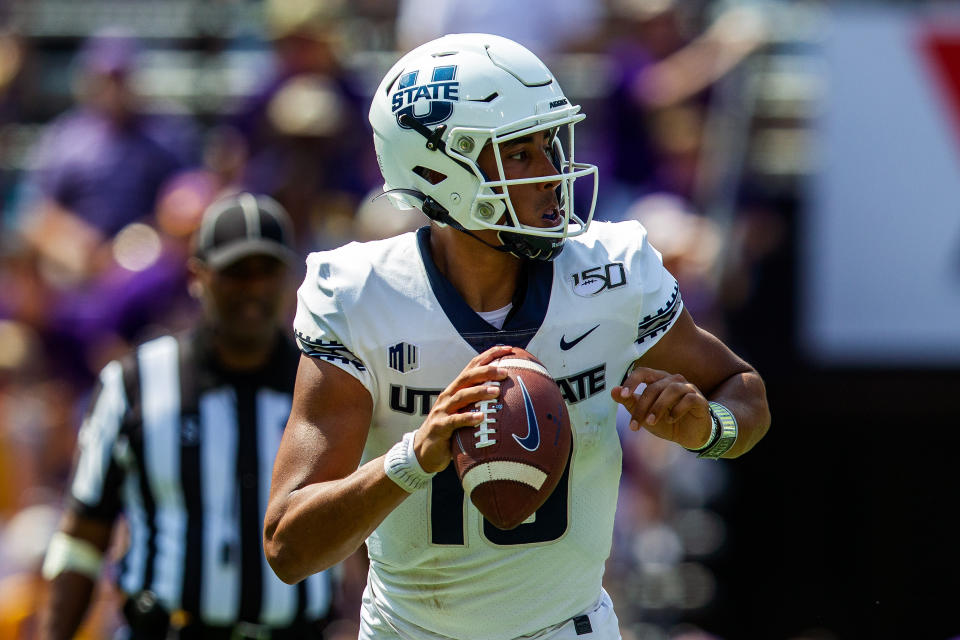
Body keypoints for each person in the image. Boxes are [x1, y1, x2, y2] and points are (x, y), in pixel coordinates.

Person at [264, 33, 770, 640]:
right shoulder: (359, 294)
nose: (554, 172)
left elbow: (747, 394)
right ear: (439, 169)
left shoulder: (611, 272)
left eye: (550, 144)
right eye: (521, 154)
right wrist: (413, 457)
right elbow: (288, 547)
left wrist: (705, 429)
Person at [39, 193, 333, 640]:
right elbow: (84, 534)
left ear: (290, 278)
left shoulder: (329, 383)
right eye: (236, 272)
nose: (253, 288)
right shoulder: (135, 382)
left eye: (266, 271)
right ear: (199, 276)